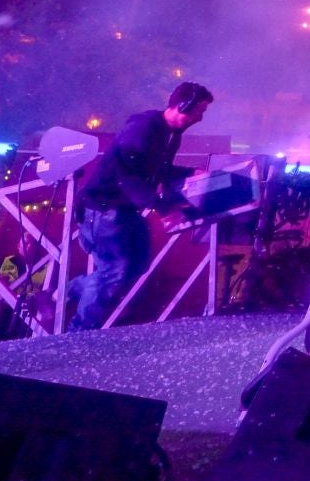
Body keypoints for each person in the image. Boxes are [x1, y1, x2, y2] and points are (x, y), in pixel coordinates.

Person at [68, 81, 214, 330]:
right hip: (103, 209)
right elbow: (125, 173)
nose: (199, 118)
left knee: (137, 265)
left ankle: (61, 293)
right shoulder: (144, 127)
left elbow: (156, 171)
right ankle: (77, 333)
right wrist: (163, 208)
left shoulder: (170, 135)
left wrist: (191, 172)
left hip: (124, 209)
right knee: (114, 271)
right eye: (198, 111)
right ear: (183, 105)